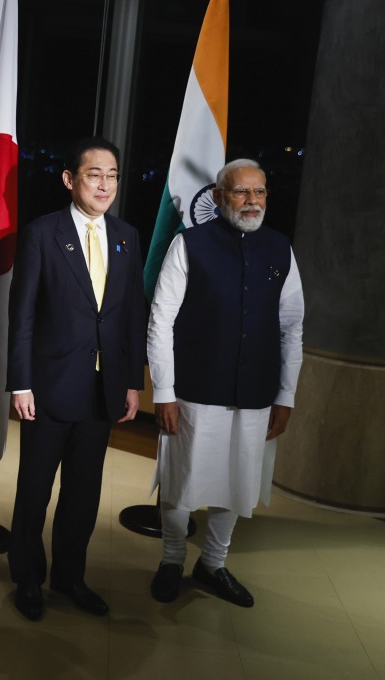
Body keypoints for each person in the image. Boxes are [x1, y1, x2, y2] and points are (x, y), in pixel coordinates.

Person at [147, 159, 304, 607]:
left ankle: (213, 563)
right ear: (218, 197)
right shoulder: (189, 244)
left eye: (260, 192)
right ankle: (172, 560)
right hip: (193, 391)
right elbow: (161, 322)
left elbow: (292, 326)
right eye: (241, 192)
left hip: (256, 393)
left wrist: (286, 394)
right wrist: (164, 391)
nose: (252, 201)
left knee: (237, 481)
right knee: (181, 483)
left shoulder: (280, 248)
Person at [6, 137, 146, 620]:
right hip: (47, 387)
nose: (104, 184)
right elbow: (21, 314)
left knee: (84, 494)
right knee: (35, 491)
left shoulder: (128, 236)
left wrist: (132, 382)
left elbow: (131, 316)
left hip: (102, 390)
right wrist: (19, 383)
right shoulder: (42, 234)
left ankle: (70, 576)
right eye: (94, 174)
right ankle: (28, 578)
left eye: (112, 175)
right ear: (70, 179)